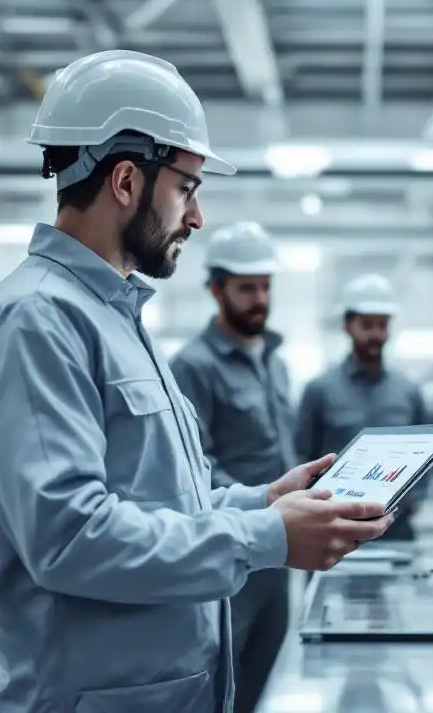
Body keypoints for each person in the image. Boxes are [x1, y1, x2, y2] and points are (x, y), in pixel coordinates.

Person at [0, 50, 392, 713]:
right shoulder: (35, 321)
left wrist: (258, 502)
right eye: (187, 187)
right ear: (126, 181)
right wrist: (266, 537)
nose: (197, 217)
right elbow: (70, 537)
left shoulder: (114, 318)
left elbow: (153, 502)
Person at [168, 221, 295, 713]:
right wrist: (258, 503)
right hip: (229, 557)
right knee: (222, 683)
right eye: (247, 288)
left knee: (265, 678)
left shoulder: (275, 361)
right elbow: (192, 470)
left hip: (279, 559)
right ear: (216, 289)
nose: (260, 299)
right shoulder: (193, 366)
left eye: (265, 287)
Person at [295, 274, 429, 541]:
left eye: (382, 325)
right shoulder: (319, 390)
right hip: (334, 531)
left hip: (396, 532)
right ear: (347, 326)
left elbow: (426, 458)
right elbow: (302, 456)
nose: (376, 335)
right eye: (367, 325)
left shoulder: (409, 392)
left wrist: (415, 500)